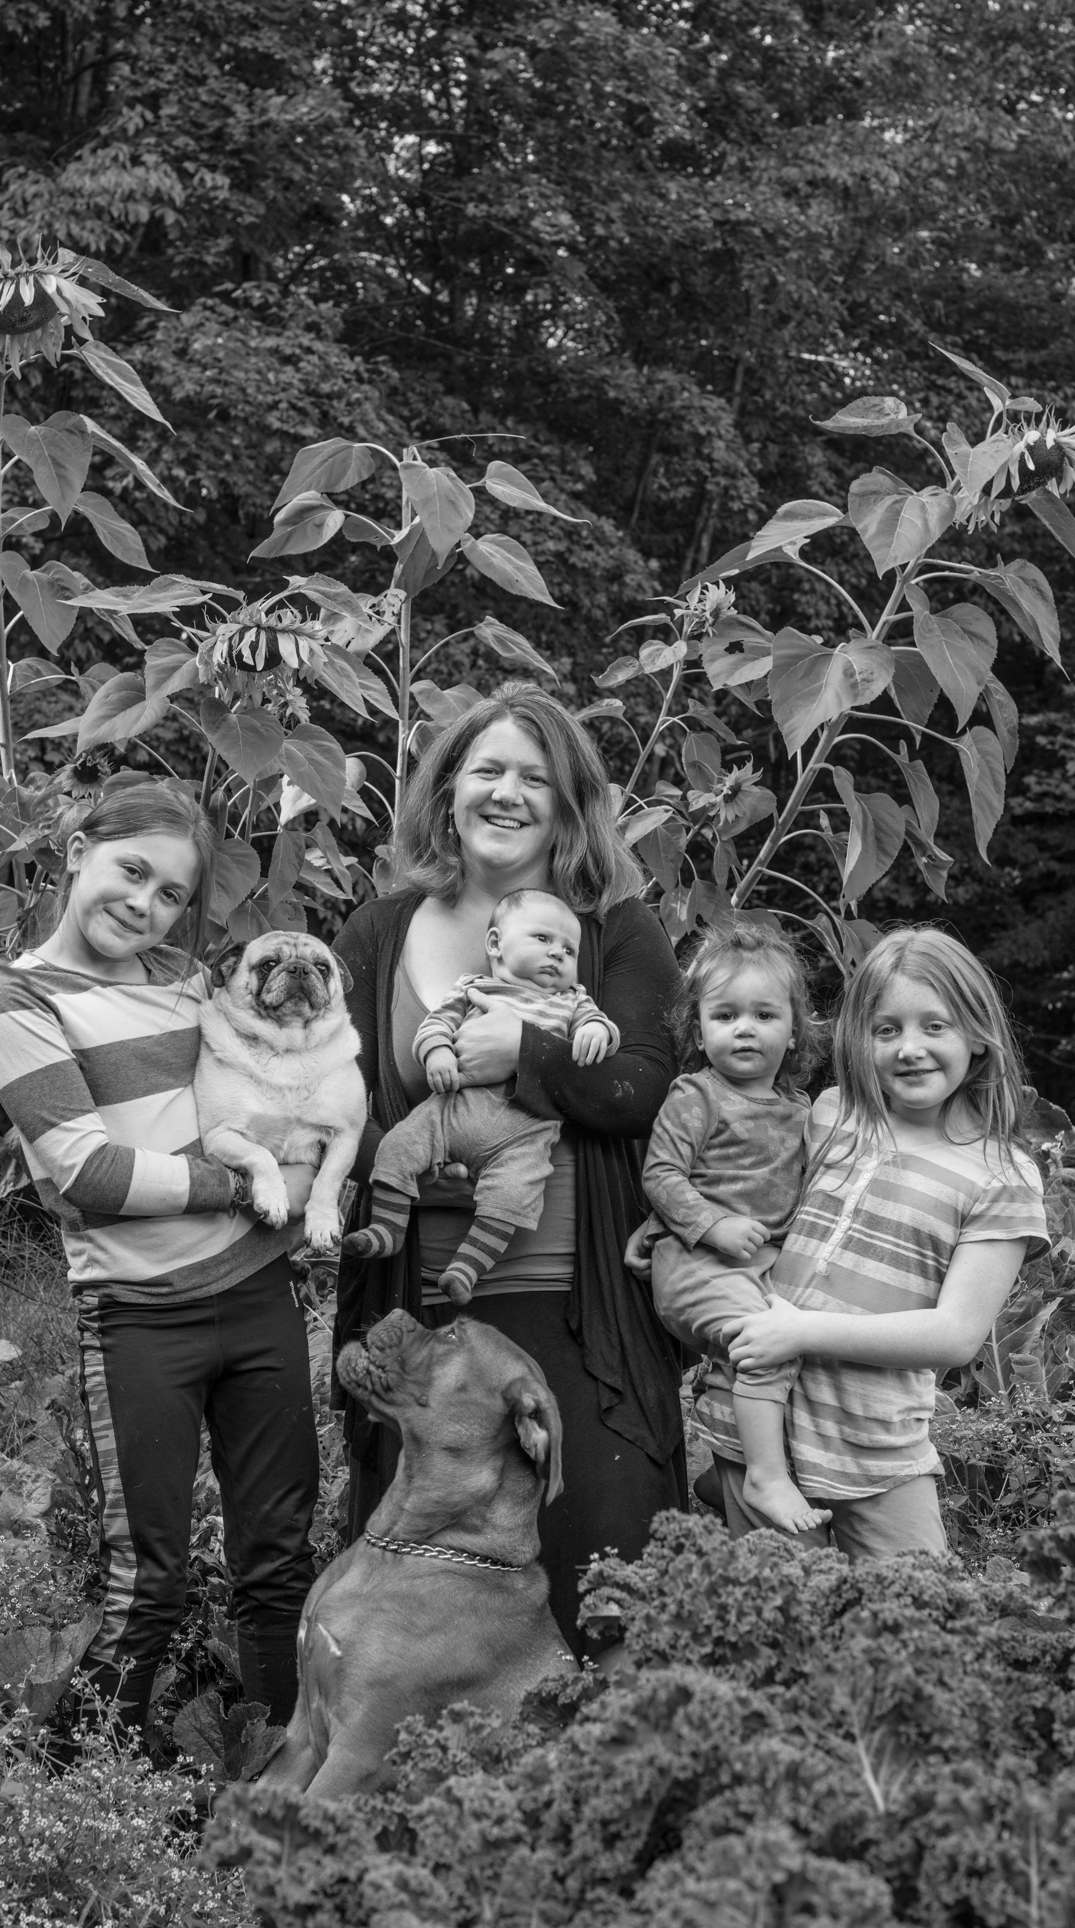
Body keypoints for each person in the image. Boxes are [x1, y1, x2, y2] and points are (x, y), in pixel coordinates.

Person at [332, 682, 685, 1655]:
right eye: (486, 769)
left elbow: (640, 1084)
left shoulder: (616, 928)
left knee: (604, 1599)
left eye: (535, 777)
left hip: (582, 1318)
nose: (507, 792)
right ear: (447, 789)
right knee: (418, 1618)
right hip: (431, 1321)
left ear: (570, 804)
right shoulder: (377, 934)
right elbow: (333, 1103)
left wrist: (515, 1056)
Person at [0, 780, 320, 1738]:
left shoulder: (190, 979)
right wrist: (255, 1185)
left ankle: (268, 1767)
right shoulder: (19, 996)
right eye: (133, 872)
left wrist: (307, 1163)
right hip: (138, 1314)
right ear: (78, 849)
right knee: (148, 1579)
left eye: (172, 895)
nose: (146, 904)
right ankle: (83, 1785)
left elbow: (275, 1086)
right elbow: (92, 1171)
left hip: (258, 1297)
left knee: (278, 1558)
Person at [700, 925, 1049, 1559]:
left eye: (934, 1026)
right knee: (773, 1637)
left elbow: (956, 1335)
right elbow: (743, 1197)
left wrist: (801, 1331)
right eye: (886, 1030)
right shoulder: (831, 1117)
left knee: (918, 1632)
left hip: (873, 1442)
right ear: (860, 1040)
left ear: (977, 1034)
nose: (909, 1048)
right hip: (756, 1428)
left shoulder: (1002, 1174)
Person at [343, 887, 619, 1304]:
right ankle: (386, 1228)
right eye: (543, 939)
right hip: (453, 1110)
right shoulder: (474, 989)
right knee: (399, 1146)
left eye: (569, 949)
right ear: (495, 945)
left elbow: (601, 1027)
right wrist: (436, 1052)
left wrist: (598, 1032)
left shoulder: (571, 1000)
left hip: (525, 1131)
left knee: (515, 1192)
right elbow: (437, 1024)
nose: (559, 954)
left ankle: (467, 1268)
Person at [640, 921, 828, 1534]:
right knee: (766, 1344)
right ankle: (762, 1478)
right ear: (698, 1030)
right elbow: (662, 1175)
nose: (744, 1028)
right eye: (725, 1015)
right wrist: (713, 1224)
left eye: (764, 1015)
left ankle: (720, 1476)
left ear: (795, 1028)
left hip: (758, 1263)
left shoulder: (801, 1110)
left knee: (793, 1353)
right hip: (698, 1263)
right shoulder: (696, 1096)